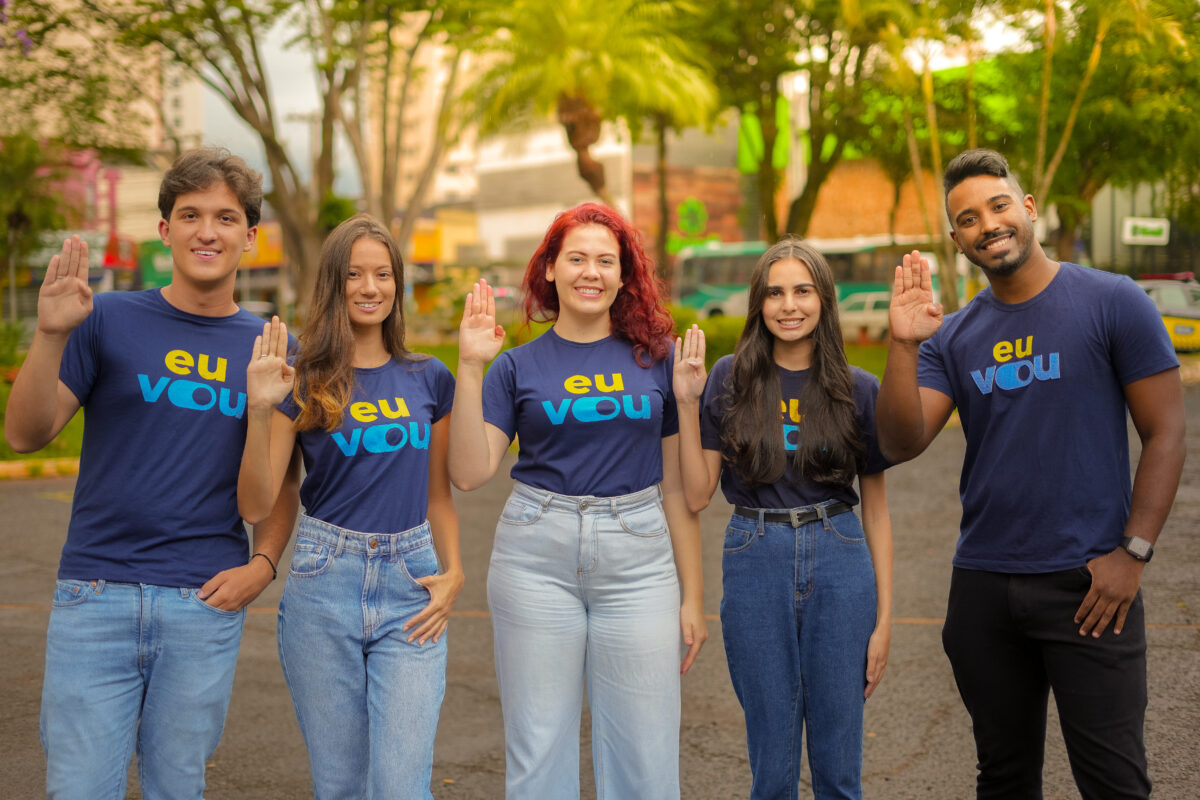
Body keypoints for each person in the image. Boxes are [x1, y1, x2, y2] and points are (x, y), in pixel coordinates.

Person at [876, 148, 1185, 800]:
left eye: (997, 205)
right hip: (984, 592)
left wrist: (1133, 552)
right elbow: (901, 441)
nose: (987, 224)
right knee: (1005, 778)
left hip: (1090, 587)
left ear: (1028, 207)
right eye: (967, 218)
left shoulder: (1112, 302)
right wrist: (903, 346)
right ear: (957, 241)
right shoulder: (953, 337)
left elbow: (1166, 433)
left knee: (1115, 784)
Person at [4, 147, 301, 799]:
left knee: (178, 788)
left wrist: (264, 564)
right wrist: (50, 334)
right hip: (95, 593)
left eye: (225, 218)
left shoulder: (274, 348)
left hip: (201, 603)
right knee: (80, 788)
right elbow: (24, 434)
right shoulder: (107, 320)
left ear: (249, 238)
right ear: (164, 230)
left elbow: (279, 486)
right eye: (190, 214)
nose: (206, 231)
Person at [448, 202, 707, 799]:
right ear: (550, 270)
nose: (591, 272)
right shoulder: (514, 367)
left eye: (606, 261)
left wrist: (692, 597)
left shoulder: (658, 359)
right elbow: (468, 472)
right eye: (577, 258)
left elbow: (683, 491)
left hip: (639, 561)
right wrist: (468, 366)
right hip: (536, 557)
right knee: (538, 750)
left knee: (646, 754)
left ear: (623, 276)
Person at [237, 213, 463, 798]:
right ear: (333, 284)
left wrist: (454, 570)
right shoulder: (306, 377)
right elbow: (258, 503)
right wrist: (261, 408)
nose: (370, 288)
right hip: (323, 583)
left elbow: (438, 492)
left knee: (400, 784)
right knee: (338, 785)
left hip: (411, 582)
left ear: (398, 284)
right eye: (355, 275)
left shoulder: (429, 378)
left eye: (383, 274)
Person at [673, 238, 893, 800]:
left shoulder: (857, 388)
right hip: (755, 553)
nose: (788, 305)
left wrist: (885, 620)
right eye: (774, 292)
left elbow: (878, 510)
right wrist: (686, 400)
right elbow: (697, 496)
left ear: (823, 300)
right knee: (771, 767)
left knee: (838, 767)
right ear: (758, 302)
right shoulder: (729, 379)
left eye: (802, 290)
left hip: (840, 555)